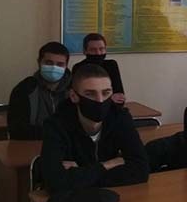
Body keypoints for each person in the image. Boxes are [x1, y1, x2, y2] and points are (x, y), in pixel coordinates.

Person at [41, 63, 149, 193]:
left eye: (106, 93)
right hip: (75, 201)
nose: (100, 100)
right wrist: (108, 165)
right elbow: (54, 182)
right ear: (74, 96)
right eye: (90, 94)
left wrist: (81, 173)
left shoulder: (121, 117)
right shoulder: (56, 125)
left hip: (112, 196)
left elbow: (141, 170)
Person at [7, 41, 71, 140]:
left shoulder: (74, 89)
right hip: (32, 145)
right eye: (49, 63)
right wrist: (55, 133)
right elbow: (17, 129)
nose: (54, 68)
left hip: (67, 145)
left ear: (66, 66)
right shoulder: (25, 89)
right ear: (39, 62)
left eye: (60, 64)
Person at [72, 33, 125, 104]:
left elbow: (119, 96)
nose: (98, 53)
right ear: (85, 51)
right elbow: (77, 97)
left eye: (101, 49)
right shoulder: (78, 67)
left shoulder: (111, 65)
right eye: (93, 50)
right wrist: (109, 98)